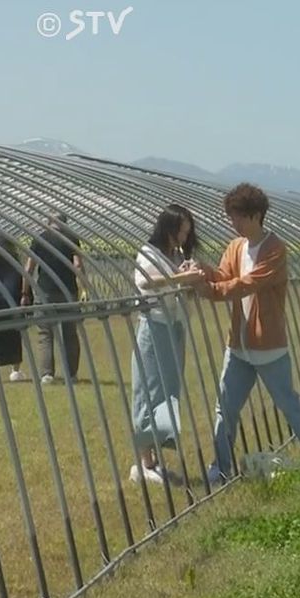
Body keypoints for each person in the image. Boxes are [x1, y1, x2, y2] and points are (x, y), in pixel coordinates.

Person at [186, 183, 300, 485]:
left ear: (256, 216)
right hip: (238, 347)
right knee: (225, 406)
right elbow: (226, 276)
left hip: (268, 347)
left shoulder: (275, 249)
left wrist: (209, 290)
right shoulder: (235, 246)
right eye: (231, 216)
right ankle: (221, 467)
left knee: (289, 405)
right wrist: (203, 271)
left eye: (237, 216)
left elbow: (247, 284)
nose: (232, 222)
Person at [128, 204, 206, 485]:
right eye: (180, 232)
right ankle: (143, 463)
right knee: (149, 390)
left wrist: (188, 277)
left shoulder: (174, 255)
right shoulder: (148, 253)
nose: (184, 238)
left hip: (174, 326)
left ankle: (154, 460)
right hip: (155, 326)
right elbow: (146, 282)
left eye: (187, 233)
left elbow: (175, 287)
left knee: (167, 392)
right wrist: (182, 277)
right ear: (168, 229)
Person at [22, 213, 85, 384]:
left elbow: (29, 268)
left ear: (48, 223)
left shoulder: (40, 239)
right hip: (68, 291)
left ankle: (47, 374)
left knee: (45, 333)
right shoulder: (72, 238)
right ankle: (71, 375)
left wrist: (25, 293)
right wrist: (84, 288)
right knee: (70, 332)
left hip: (45, 291)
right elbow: (78, 265)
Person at [0, 231, 28, 382]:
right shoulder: (13, 259)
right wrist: (25, 295)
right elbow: (20, 277)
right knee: (15, 333)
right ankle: (15, 371)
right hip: (11, 300)